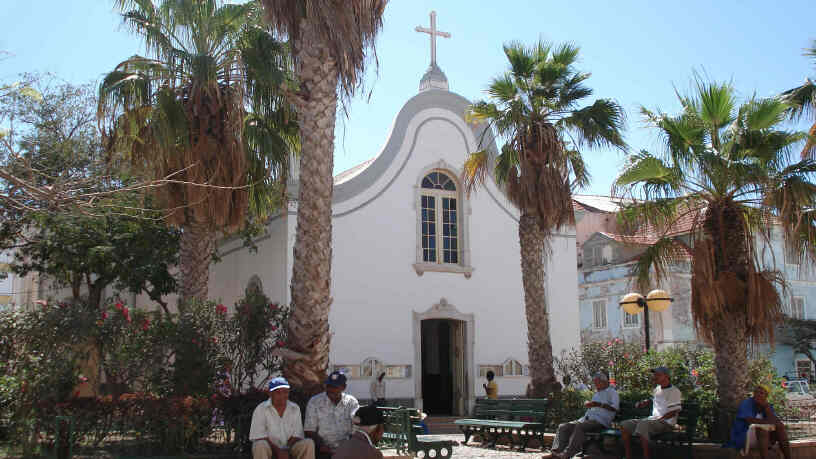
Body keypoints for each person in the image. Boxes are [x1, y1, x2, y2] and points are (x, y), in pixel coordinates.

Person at [544, 371, 619, 459]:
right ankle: (556, 453)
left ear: (604, 382)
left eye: (597, 383)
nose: (595, 385)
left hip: (600, 421)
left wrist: (598, 404)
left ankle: (567, 454)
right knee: (563, 427)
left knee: (580, 427)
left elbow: (615, 408)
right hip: (586, 419)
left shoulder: (612, 392)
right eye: (594, 383)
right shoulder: (597, 393)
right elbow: (593, 406)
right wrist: (589, 404)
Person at [620, 366, 682, 459]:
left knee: (644, 424)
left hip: (666, 423)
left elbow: (674, 411)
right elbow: (655, 399)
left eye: (658, 375)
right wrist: (645, 402)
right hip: (653, 420)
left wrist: (660, 419)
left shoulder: (674, 391)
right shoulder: (657, 389)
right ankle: (629, 456)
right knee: (625, 424)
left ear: (666, 376)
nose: (655, 376)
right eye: (655, 374)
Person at [249, 377, 315, 459]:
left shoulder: (295, 408)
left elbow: (297, 434)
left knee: (308, 443)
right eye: (278, 393)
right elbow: (259, 436)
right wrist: (278, 451)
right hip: (269, 447)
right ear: (270, 393)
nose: (282, 396)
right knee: (259, 445)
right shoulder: (261, 409)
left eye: (285, 392)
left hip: (289, 447)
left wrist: (286, 450)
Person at [725, 384, 791, 459]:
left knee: (780, 428)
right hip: (745, 436)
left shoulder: (767, 406)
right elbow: (750, 420)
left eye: (761, 393)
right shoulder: (747, 403)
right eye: (756, 392)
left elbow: (775, 421)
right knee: (762, 430)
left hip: (765, 438)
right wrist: (768, 422)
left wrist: (766, 407)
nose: (758, 394)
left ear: (766, 396)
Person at [304, 371, 359, 459]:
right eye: (329, 386)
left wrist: (346, 447)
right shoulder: (314, 402)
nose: (331, 389)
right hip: (322, 450)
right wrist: (322, 446)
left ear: (344, 387)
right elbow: (309, 430)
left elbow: (356, 428)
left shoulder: (351, 403)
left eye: (335, 387)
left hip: (346, 449)